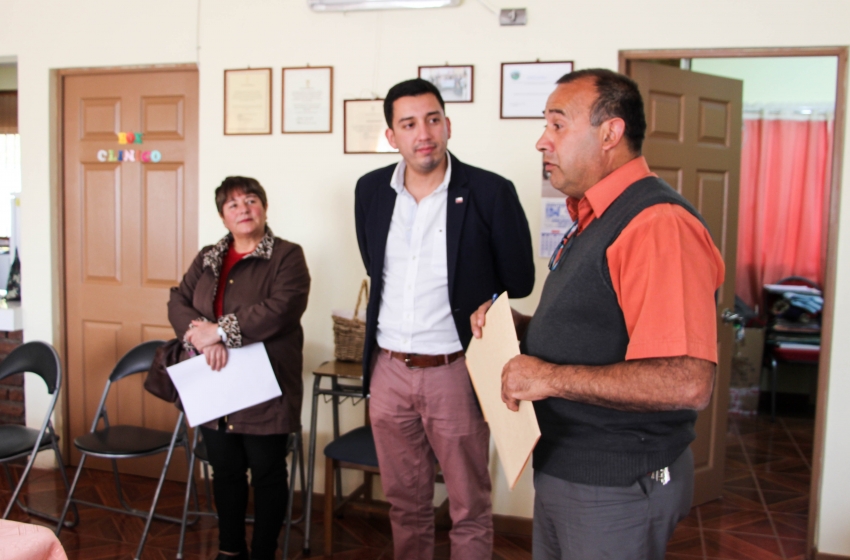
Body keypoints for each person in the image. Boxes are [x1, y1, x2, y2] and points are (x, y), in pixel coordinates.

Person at [471, 69, 725, 560]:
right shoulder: (595, 216)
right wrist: (517, 329)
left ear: (610, 133)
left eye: (558, 124)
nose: (542, 141)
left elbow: (686, 382)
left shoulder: (657, 225)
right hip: (571, 470)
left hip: (616, 485)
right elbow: (601, 330)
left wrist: (548, 377)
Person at [354, 78, 535, 559]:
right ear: (391, 136)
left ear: (448, 125)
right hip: (389, 370)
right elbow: (375, 266)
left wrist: (489, 301)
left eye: (433, 119)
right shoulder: (371, 191)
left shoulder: (490, 191)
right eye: (409, 124)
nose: (424, 133)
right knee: (404, 504)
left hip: (455, 370)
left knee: (468, 505)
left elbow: (520, 278)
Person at [168, 176, 310, 560]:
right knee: (225, 470)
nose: (243, 209)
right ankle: (230, 549)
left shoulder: (287, 256)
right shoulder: (208, 256)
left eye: (251, 200)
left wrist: (220, 331)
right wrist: (202, 337)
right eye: (233, 204)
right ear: (222, 216)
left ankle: (263, 553)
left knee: (266, 471)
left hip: (265, 385)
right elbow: (179, 301)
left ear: (264, 207)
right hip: (214, 382)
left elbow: (281, 309)